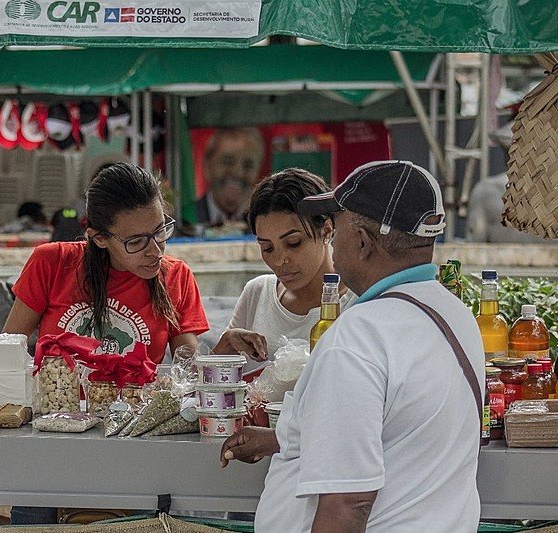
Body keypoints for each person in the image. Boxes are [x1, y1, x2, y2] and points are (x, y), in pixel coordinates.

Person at [220, 160, 485, 532]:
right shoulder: (454, 314)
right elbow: (398, 432)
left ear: (362, 241)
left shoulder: (358, 338)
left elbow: (348, 504)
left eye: (337, 224)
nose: (331, 235)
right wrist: (285, 437)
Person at [4, 162, 209, 524]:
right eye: (136, 241)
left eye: (160, 230)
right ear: (99, 237)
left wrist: (217, 360)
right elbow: (7, 352)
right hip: (51, 446)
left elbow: (187, 369)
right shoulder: (51, 263)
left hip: (136, 449)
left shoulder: (176, 276)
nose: (154, 250)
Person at [212, 169, 355, 368]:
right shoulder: (257, 293)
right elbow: (208, 389)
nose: (279, 261)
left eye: (293, 243)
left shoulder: (356, 303)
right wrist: (223, 348)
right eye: (267, 248)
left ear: (327, 230)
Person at [194, 127, 264, 226]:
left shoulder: (265, 221)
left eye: (248, 165)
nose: (238, 173)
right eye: (227, 162)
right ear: (208, 165)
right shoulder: (183, 219)